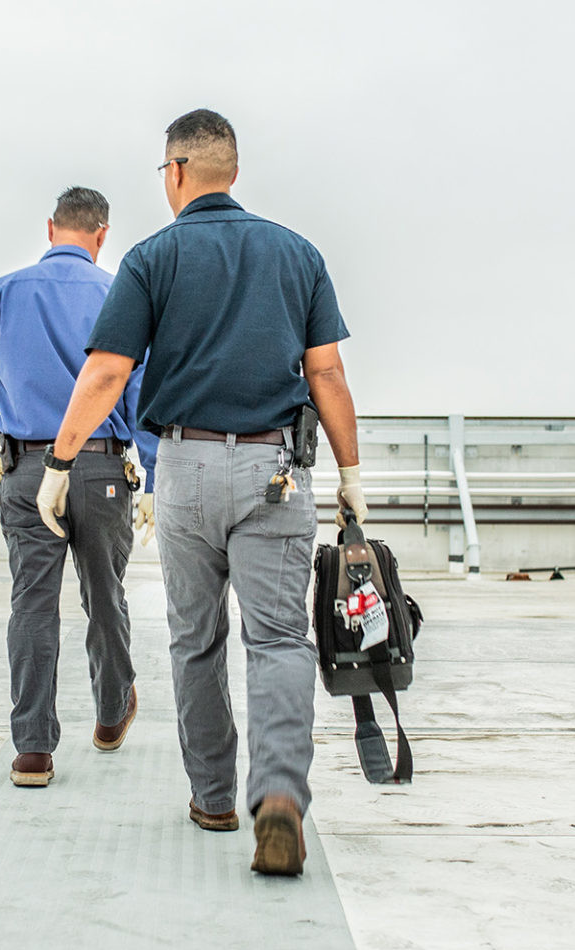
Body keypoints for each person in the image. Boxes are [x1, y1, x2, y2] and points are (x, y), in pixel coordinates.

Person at [33, 110, 367, 875]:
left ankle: (213, 798)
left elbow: (109, 373)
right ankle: (278, 796)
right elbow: (328, 374)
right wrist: (349, 473)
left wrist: (60, 462)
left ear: (176, 172)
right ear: (233, 172)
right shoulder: (297, 254)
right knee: (279, 639)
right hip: (275, 472)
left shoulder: (154, 259)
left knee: (196, 640)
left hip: (183, 471)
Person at [0, 186, 159, 789]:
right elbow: (143, 389)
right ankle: (108, 714)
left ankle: (33, 752)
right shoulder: (119, 294)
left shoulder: (2, 293)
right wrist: (148, 466)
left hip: (25, 470)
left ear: (51, 228)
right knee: (104, 594)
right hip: (100, 468)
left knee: (32, 603)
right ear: (102, 235)